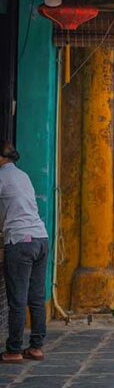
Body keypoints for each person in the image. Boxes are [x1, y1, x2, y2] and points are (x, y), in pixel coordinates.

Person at [0, 143, 49, 363]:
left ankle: (14, 350)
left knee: (17, 299)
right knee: (37, 297)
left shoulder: (2, 176)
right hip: (40, 238)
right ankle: (37, 347)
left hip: (20, 240)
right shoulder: (23, 175)